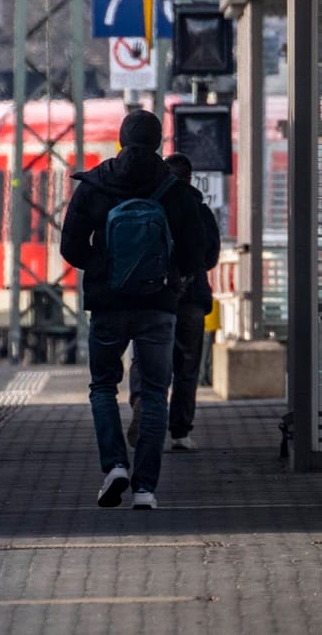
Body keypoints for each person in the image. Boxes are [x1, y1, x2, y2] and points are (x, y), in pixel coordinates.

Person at [59, 111, 215, 510]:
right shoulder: (175, 190)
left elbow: (70, 247)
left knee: (103, 386)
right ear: (159, 143)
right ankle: (145, 489)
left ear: (121, 140)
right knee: (156, 393)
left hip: (108, 305)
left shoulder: (96, 183)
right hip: (158, 306)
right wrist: (170, 276)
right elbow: (196, 253)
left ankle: (115, 466)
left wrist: (103, 268)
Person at [126, 153, 220, 451]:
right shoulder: (199, 210)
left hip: (152, 298)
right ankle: (180, 432)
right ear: (190, 179)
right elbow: (211, 256)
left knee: (145, 358)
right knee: (186, 366)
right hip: (190, 300)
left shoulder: (147, 207)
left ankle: (141, 403)